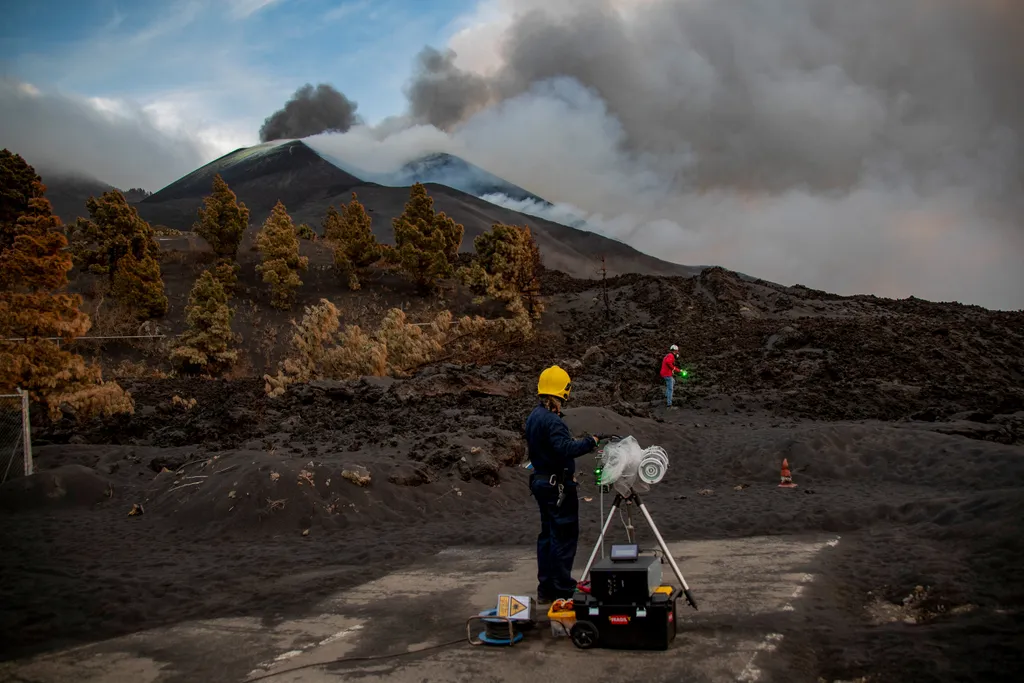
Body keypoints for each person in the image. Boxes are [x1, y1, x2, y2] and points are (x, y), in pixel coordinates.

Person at [525, 365, 599, 604]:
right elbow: (564, 448)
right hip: (557, 486)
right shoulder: (553, 421)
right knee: (563, 535)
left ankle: (546, 588)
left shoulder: (534, 416)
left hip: (541, 482)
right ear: (562, 393)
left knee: (547, 535)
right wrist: (590, 442)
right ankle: (562, 588)